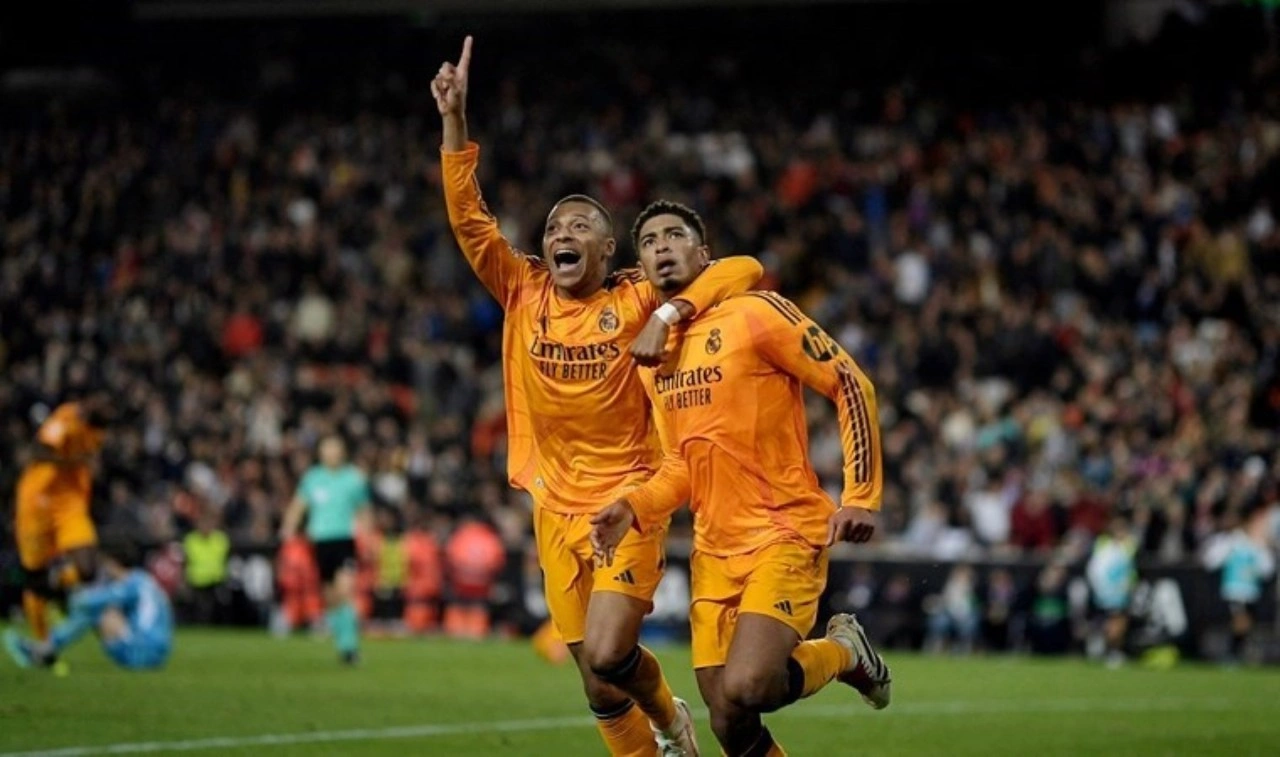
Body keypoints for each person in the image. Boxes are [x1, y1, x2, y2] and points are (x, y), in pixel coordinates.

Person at [433, 37, 762, 757]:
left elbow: (740, 269)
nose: (563, 232)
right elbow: (468, 217)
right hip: (554, 505)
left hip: (630, 497)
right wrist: (454, 121)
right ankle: (663, 730)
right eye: (555, 226)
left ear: (610, 251)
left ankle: (670, 720)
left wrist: (671, 311)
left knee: (613, 652)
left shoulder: (637, 296)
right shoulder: (523, 288)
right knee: (597, 685)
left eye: (580, 225)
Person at [591, 200, 892, 757]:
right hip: (714, 549)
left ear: (704, 254)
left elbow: (850, 383)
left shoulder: (755, 312)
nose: (660, 246)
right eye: (649, 241)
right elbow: (680, 465)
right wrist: (633, 505)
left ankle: (845, 651)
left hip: (783, 530)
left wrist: (860, 494)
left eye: (674, 235)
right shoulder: (655, 357)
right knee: (729, 719)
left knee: (751, 685)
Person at [14, 394, 113, 662]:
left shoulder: (98, 430)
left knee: (88, 567)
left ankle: (60, 580)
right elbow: (39, 451)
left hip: (70, 505)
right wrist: (75, 462)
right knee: (34, 576)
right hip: (38, 502)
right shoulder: (66, 419)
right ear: (87, 405)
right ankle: (44, 642)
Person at [4, 539, 173, 671]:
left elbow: (87, 601)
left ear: (112, 563)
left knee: (100, 612)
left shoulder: (133, 583)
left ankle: (44, 650)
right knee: (102, 610)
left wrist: (70, 592)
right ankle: (46, 649)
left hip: (143, 653)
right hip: (157, 652)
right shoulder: (144, 580)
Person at [279, 435, 371, 665]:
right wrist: (288, 527)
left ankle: (350, 646)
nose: (331, 453)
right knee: (331, 596)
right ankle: (342, 644)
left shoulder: (353, 478)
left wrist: (369, 538)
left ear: (342, 452)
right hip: (320, 542)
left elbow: (364, 510)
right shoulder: (313, 478)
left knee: (345, 590)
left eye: (335, 448)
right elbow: (299, 505)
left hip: (344, 540)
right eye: (327, 449)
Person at [1203, 501, 1276, 665]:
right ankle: (1233, 654)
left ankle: (1238, 652)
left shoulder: (1257, 545)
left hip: (1252, 592)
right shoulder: (1232, 540)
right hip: (1234, 590)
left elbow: (1267, 570)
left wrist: (1261, 547)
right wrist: (1227, 546)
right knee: (1241, 620)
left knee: (1246, 623)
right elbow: (1210, 561)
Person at [1085, 514, 1137, 668]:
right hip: (1109, 592)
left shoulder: (1129, 546)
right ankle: (1110, 651)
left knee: (1119, 623)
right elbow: (1096, 570)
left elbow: (1130, 569)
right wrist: (1102, 588)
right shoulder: (1104, 547)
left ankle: (1112, 650)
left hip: (1122, 592)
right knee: (1113, 623)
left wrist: (1129, 585)